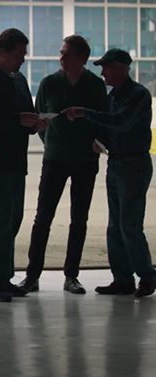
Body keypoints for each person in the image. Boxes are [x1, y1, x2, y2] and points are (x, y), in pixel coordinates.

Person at [63, 48, 156, 298]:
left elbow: (121, 122)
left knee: (129, 224)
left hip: (134, 165)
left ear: (120, 68)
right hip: (115, 164)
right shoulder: (113, 96)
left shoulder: (138, 95)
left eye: (105, 67)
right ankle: (122, 279)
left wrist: (86, 113)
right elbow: (109, 126)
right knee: (115, 226)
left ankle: (147, 276)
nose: (102, 73)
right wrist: (100, 140)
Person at [18, 35, 107, 295]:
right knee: (43, 216)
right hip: (55, 158)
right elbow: (40, 120)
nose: (62, 57)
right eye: (61, 52)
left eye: (67, 54)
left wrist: (98, 142)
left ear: (82, 59)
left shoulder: (94, 86)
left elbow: (103, 119)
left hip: (85, 160)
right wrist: (51, 140)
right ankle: (32, 276)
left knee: (79, 218)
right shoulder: (49, 84)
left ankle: (71, 276)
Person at [0, 28, 48, 303]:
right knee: (1, 220)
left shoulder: (18, 80)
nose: (22, 60)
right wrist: (18, 120)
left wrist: (34, 122)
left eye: (24, 55)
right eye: (18, 55)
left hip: (15, 161)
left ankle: (2, 276)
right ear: (1, 52)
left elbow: (23, 114)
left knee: (12, 219)